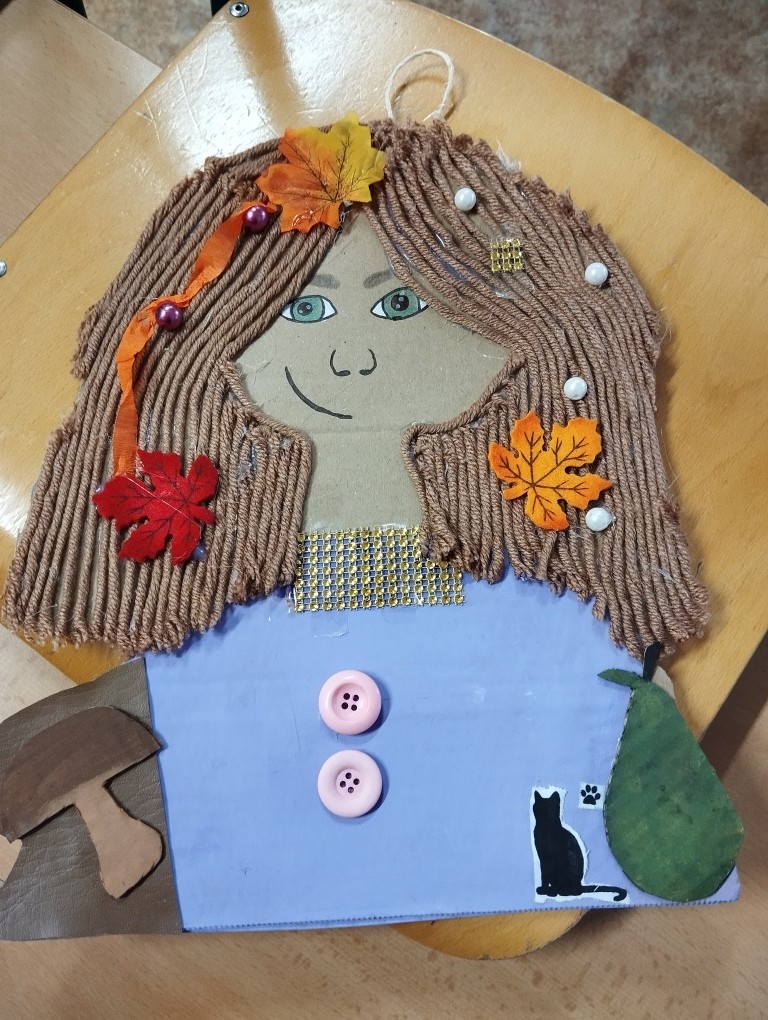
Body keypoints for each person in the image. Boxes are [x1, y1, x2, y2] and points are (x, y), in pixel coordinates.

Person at [0, 118, 722, 939]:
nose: (352, 360)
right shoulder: (202, 594)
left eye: (399, 303)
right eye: (306, 309)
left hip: (497, 838)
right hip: (253, 849)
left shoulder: (547, 574)